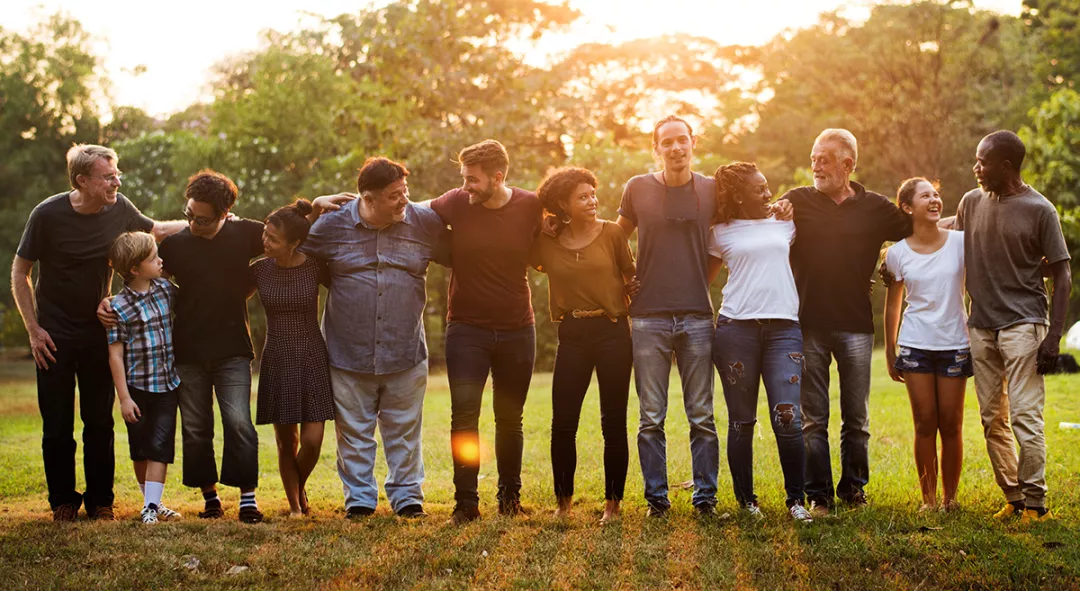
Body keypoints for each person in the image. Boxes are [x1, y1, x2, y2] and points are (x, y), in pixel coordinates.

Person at [11, 144, 185, 522]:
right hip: (53, 337)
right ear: (83, 181)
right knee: (57, 423)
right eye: (108, 176)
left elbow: (156, 230)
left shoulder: (119, 208)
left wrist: (208, 221)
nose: (116, 181)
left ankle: (100, 501)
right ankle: (62, 501)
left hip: (98, 332)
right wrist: (33, 329)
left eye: (116, 173)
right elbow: (20, 271)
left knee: (99, 422)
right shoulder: (47, 214)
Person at [302, 157, 448, 519]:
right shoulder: (330, 226)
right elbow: (290, 250)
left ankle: (408, 497)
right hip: (347, 352)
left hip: (405, 350)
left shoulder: (424, 223)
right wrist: (310, 210)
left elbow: (466, 250)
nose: (404, 201)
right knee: (353, 433)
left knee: (403, 431)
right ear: (367, 197)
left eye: (405, 192)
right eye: (394, 195)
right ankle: (360, 500)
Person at [781, 128, 911, 516]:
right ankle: (819, 495)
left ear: (847, 164)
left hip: (856, 325)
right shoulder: (797, 201)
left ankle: (854, 490)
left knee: (858, 418)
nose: (815, 165)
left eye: (824, 159)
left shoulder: (876, 207)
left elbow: (918, 229)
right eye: (813, 158)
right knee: (812, 418)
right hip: (808, 325)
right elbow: (762, 222)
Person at [954, 131, 1070, 523]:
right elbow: (943, 246)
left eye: (982, 162)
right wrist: (892, 258)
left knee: (1024, 415)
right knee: (992, 418)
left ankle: (1036, 504)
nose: (976, 168)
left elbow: (1063, 275)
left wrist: (1053, 336)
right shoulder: (971, 202)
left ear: (1005, 166)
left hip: (1024, 324)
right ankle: (1014, 496)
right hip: (981, 325)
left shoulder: (1041, 210)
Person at [431, 140, 543, 525]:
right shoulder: (456, 202)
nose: (466, 187)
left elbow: (557, 233)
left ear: (499, 177)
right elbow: (410, 213)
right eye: (463, 179)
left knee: (510, 418)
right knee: (464, 417)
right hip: (466, 330)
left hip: (517, 329)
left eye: (473, 180)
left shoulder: (530, 205)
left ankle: (510, 500)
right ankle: (466, 504)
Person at [615, 116, 719, 517]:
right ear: (655, 148)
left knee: (702, 415)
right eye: (667, 142)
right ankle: (657, 500)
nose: (676, 148)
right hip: (647, 318)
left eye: (682, 140)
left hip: (696, 316)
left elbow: (722, 244)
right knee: (650, 416)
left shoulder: (712, 190)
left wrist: (699, 281)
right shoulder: (637, 188)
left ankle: (705, 499)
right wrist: (627, 278)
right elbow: (615, 238)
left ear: (693, 143)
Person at [707, 163, 813, 523]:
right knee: (742, 421)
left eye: (768, 187)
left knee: (788, 417)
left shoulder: (786, 223)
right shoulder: (719, 232)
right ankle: (746, 502)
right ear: (738, 195)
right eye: (760, 189)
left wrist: (788, 208)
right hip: (737, 330)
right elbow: (703, 282)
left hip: (785, 329)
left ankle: (796, 501)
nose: (768, 194)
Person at [532, 167, 635, 524]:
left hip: (612, 331)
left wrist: (631, 294)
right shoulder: (546, 240)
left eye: (593, 194)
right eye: (583, 196)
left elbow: (630, 275)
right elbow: (520, 229)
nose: (592, 201)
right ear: (563, 203)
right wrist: (543, 221)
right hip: (572, 333)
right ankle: (563, 502)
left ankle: (613, 504)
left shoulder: (613, 233)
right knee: (563, 422)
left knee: (613, 421)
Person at [883, 178, 970, 512]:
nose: (935, 200)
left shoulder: (961, 243)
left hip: (954, 343)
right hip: (915, 345)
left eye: (936, 194)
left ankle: (950, 499)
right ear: (907, 207)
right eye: (925, 196)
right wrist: (891, 352)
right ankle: (928, 500)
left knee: (951, 424)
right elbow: (893, 305)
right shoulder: (897, 253)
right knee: (924, 424)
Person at [252, 200, 335, 518]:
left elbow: (348, 285)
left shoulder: (315, 265)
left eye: (273, 238)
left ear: (295, 243)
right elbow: (222, 293)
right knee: (287, 441)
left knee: (312, 440)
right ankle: (295, 506)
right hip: (277, 356)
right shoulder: (259, 270)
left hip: (312, 353)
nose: (265, 241)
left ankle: (298, 488)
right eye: (265, 233)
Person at [105, 231, 183, 524]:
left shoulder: (166, 290)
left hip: (167, 385)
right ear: (135, 269)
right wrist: (124, 398)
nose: (160, 260)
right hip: (137, 387)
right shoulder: (118, 307)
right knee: (140, 448)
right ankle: (152, 501)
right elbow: (115, 355)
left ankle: (150, 506)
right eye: (153, 258)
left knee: (160, 446)